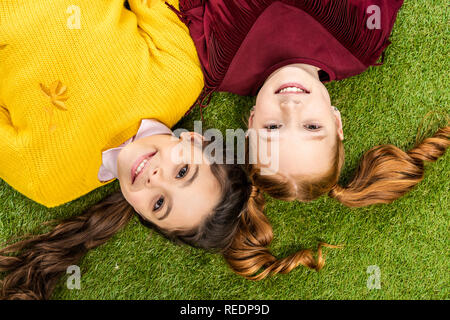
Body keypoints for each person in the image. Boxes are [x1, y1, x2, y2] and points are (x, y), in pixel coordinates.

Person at [171, 0, 449, 204]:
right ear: (337, 122)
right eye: (312, 127)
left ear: (252, 121)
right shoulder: (360, 42)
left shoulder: (220, 64)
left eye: (272, 128)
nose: (291, 108)